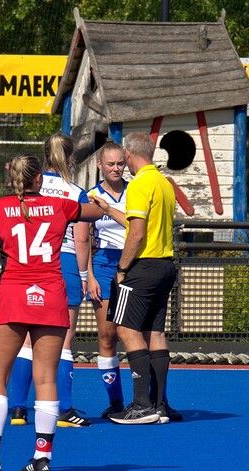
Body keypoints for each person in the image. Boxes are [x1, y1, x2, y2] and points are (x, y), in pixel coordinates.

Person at [0, 154, 104, 471]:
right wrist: (97, 199)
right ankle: (41, 459)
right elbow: (96, 210)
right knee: (46, 378)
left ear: (13, 180)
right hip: (50, 296)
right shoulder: (60, 205)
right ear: (39, 179)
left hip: (13, 298)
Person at [6, 133, 92, 428]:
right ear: (70, 158)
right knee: (64, 341)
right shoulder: (76, 192)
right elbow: (81, 240)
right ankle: (65, 409)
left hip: (29, 261)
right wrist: (82, 276)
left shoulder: (28, 187)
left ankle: (17, 408)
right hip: (63, 261)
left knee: (27, 341)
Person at [96, 132, 181, 424]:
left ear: (130, 155)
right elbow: (138, 221)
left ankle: (141, 404)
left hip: (142, 267)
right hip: (165, 265)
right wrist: (108, 209)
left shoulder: (140, 184)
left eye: (124, 159)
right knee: (155, 333)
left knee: (125, 330)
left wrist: (121, 268)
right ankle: (160, 404)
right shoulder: (164, 183)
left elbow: (137, 233)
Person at [86, 141, 128, 418]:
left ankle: (152, 399)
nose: (115, 168)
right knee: (107, 333)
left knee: (136, 334)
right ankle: (115, 402)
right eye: (110, 164)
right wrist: (89, 276)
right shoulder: (90, 196)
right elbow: (83, 240)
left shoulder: (135, 191)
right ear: (100, 165)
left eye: (120, 163)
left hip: (132, 263)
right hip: (102, 264)